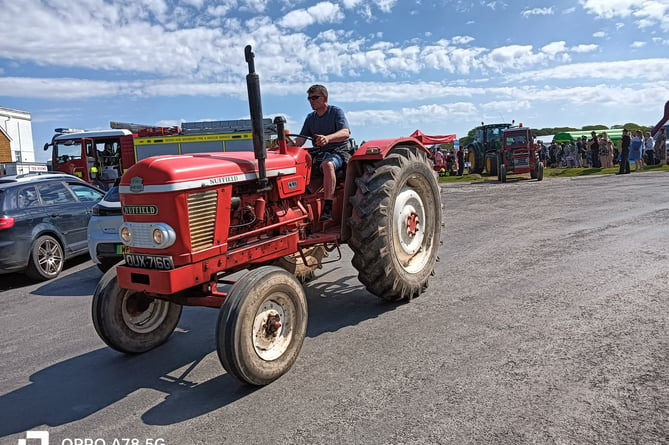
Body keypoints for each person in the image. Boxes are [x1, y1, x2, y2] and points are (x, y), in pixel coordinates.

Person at [291, 84, 351, 221]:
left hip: (338, 151)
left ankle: (328, 207)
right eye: (309, 99)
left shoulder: (336, 112)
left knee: (327, 164)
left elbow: (345, 132)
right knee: (301, 164)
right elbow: (300, 140)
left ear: (325, 98)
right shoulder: (310, 118)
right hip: (319, 152)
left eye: (315, 97)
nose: (311, 101)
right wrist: (285, 145)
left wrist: (327, 138)